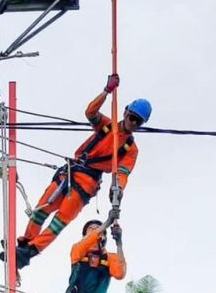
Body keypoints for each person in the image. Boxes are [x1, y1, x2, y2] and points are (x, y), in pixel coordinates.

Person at [15, 74, 151, 268]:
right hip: (70, 172)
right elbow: (90, 113)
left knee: (59, 221)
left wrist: (118, 189)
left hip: (86, 184)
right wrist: (106, 91)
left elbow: (122, 173)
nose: (134, 123)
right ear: (125, 112)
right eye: (132, 117)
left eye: (139, 122)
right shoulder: (107, 126)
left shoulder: (130, 149)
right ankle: (25, 243)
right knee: (41, 209)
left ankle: (30, 252)